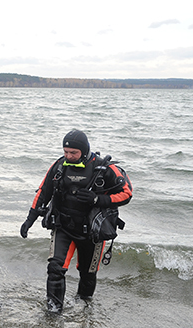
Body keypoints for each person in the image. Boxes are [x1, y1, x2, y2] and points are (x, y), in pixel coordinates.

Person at [19, 129, 132, 313]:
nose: (68, 156)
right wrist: (29, 220)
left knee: (88, 274)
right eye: (65, 152)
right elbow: (43, 192)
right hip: (63, 227)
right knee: (55, 268)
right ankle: (53, 313)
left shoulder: (104, 168)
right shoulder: (59, 166)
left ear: (84, 151)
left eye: (73, 153)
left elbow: (127, 193)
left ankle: (84, 310)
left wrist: (97, 199)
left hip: (92, 233)